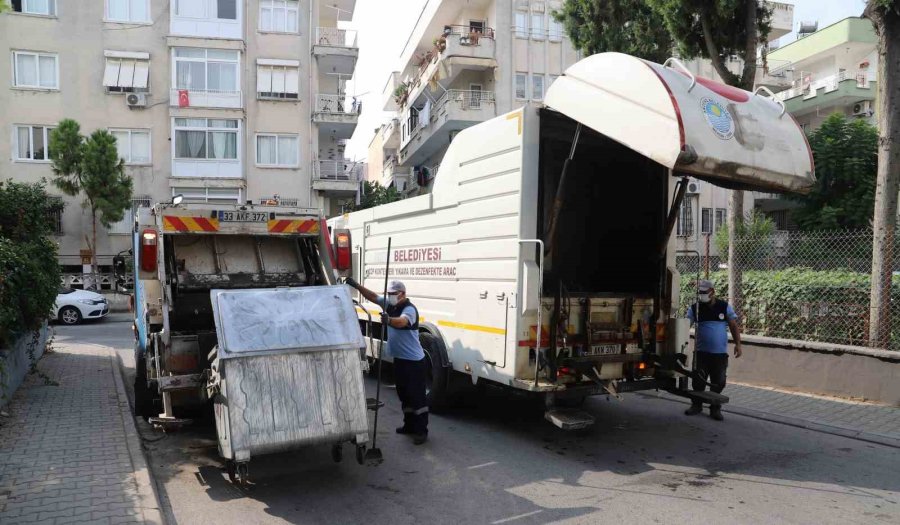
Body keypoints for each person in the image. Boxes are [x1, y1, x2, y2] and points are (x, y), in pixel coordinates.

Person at [345, 278, 429, 444]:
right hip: (400, 360)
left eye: (393, 294)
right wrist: (356, 285)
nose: (390, 296)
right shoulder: (390, 305)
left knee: (417, 397)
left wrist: (389, 320)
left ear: (402, 294)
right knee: (404, 394)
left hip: (414, 362)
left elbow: (402, 322)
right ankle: (409, 425)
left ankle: (421, 431)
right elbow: (373, 297)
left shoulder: (409, 309)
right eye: (389, 294)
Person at [685, 279, 742, 421]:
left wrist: (738, 344)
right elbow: (685, 326)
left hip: (719, 354)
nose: (701, 295)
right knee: (698, 381)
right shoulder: (695, 308)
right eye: (700, 292)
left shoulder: (724, 306)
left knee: (719, 381)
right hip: (701, 353)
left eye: (704, 292)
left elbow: (734, 326)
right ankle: (696, 405)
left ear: (712, 292)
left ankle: (715, 408)